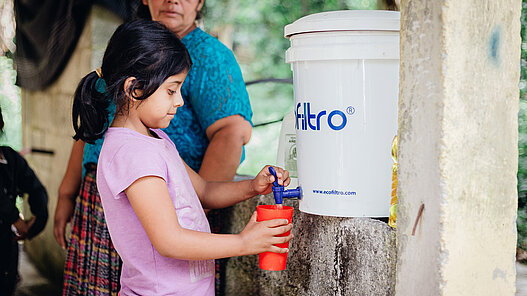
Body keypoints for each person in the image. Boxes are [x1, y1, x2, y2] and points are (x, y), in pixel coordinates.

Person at [72, 19, 291, 296]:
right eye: (172, 90)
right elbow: (169, 241)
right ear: (134, 88)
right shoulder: (132, 154)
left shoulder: (155, 139)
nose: (180, 101)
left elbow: (204, 191)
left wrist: (252, 186)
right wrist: (243, 243)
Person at [136, 2, 253, 293]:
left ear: (200, 2)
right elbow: (94, 123)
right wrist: (66, 192)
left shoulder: (160, 144)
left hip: (173, 208)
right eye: (172, 91)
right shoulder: (131, 49)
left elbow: (203, 188)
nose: (173, 0)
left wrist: (192, 212)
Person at [0, 106, 49, 296]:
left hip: (6, 253)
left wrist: (37, 219)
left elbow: (36, 189)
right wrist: (15, 217)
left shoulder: (10, 159)